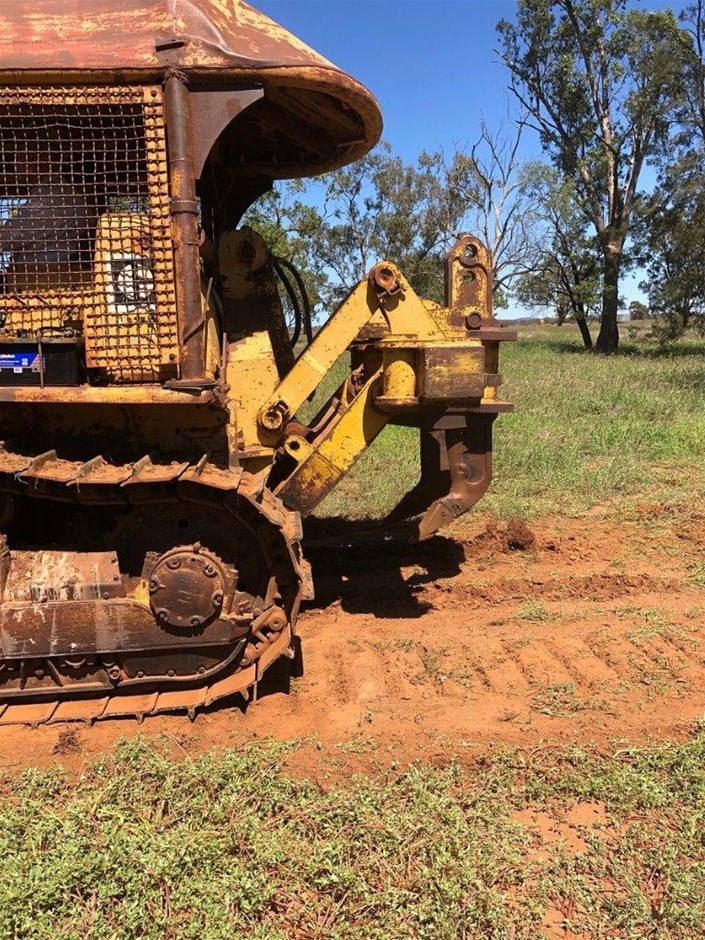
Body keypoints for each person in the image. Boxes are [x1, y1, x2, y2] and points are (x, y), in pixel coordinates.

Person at [0, 155, 94, 275]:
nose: (15, 163)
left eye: (20, 157)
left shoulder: (52, 196)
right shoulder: (58, 190)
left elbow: (10, 235)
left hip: (50, 276)